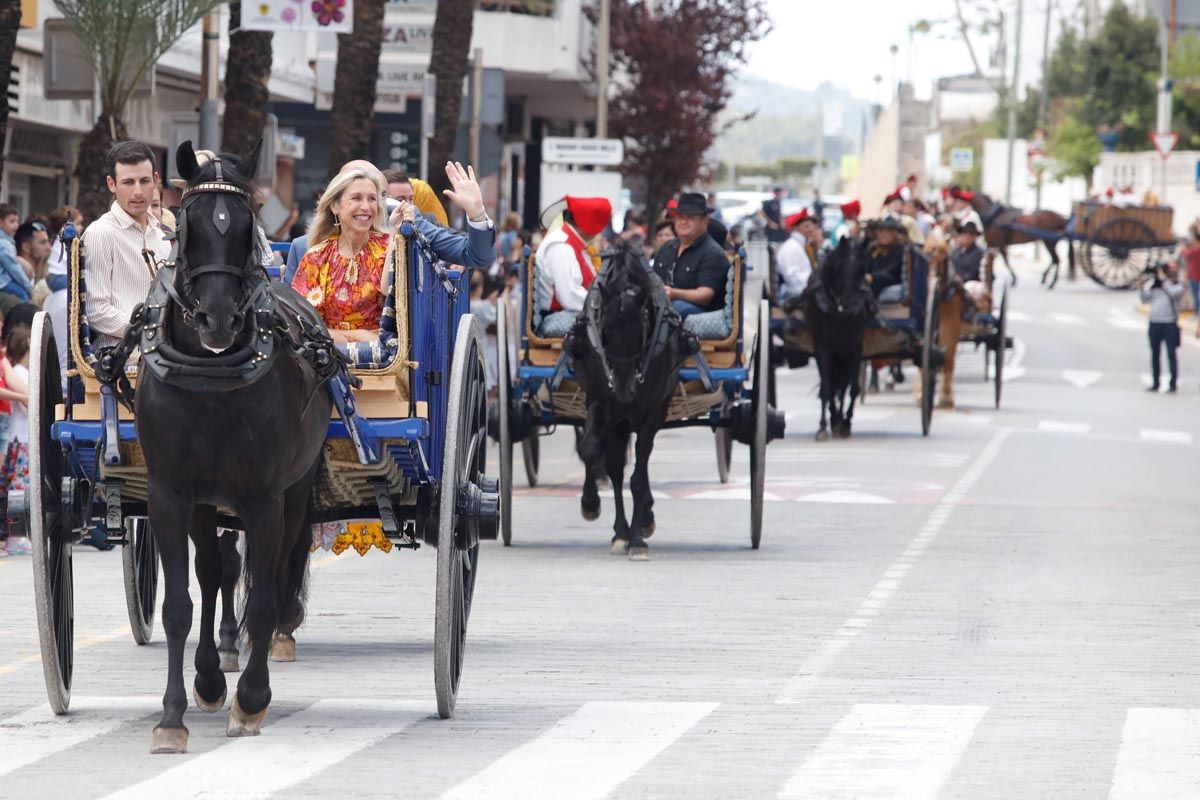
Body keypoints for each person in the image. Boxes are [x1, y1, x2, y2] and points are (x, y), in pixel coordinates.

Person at [292, 161, 493, 343]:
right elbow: (300, 323)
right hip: (324, 361)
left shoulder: (400, 236)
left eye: (373, 197)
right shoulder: (314, 254)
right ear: (335, 204)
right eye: (356, 197)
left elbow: (476, 255)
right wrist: (358, 338)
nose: (366, 206)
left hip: (389, 360)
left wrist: (476, 212)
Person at [84, 140, 172, 349]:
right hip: (119, 356)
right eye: (128, 182)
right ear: (111, 184)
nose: (138, 191)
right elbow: (96, 310)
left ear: (155, 181)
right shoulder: (100, 233)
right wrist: (147, 332)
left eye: (144, 181)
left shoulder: (162, 238)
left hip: (165, 352)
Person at [534, 195, 611, 327]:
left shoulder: (570, 243)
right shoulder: (561, 246)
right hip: (555, 316)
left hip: (566, 311)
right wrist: (604, 304)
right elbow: (569, 297)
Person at [651, 192, 729, 318]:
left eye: (691, 217)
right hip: (663, 309)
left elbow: (705, 296)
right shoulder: (666, 247)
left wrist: (673, 293)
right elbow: (652, 280)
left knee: (677, 307)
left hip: (701, 315)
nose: (684, 221)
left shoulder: (713, 253)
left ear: (704, 221)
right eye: (680, 216)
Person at [0, 325, 30, 556]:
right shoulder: (19, 370)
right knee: (18, 487)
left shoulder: (11, 366)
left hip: (14, 431)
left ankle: (14, 536)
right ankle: (14, 537)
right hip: (19, 436)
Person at [1140, 261, 1183, 393]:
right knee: (1155, 354)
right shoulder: (1155, 286)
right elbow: (1144, 299)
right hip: (1154, 324)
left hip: (1169, 324)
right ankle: (1155, 383)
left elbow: (1174, 294)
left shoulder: (1177, 286)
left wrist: (1163, 280)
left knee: (1171, 354)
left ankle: (1173, 384)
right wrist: (1141, 286)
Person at [776, 210, 816, 304]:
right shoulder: (792, 247)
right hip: (794, 296)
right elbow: (792, 278)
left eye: (811, 226)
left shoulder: (799, 246)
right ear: (795, 228)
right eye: (806, 226)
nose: (810, 229)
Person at [864, 216, 907, 304]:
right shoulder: (873, 248)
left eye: (887, 231)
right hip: (871, 280)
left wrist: (873, 277)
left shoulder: (900, 248)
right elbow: (866, 266)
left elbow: (892, 270)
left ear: (894, 234)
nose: (883, 234)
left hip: (892, 279)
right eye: (881, 231)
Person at [0, 204, 30, 313]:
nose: (16, 225)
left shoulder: (6, 241)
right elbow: (13, 269)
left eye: (17, 221)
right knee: (23, 295)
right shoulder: (4, 244)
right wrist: (28, 286)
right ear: (1, 222)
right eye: (12, 221)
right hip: (2, 283)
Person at [950, 221, 987, 302]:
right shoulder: (955, 251)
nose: (967, 236)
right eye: (965, 233)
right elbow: (950, 266)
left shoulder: (978, 253)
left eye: (971, 234)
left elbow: (974, 272)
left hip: (969, 284)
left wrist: (962, 279)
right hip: (952, 281)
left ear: (974, 237)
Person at [1181, 226, 1200, 337]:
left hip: (1194, 276)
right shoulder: (1194, 248)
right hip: (1193, 275)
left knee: (1196, 297)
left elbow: (1185, 254)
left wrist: (1183, 247)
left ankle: (1197, 314)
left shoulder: (1195, 249)